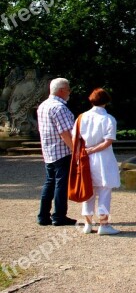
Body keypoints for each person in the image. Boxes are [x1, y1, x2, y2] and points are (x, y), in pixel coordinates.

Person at [75, 88, 121, 235]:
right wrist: (93, 149)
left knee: (88, 190)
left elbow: (76, 138)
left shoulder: (81, 117)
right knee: (104, 191)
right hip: (103, 157)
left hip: (85, 157)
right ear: (106, 101)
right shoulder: (109, 119)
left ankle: (88, 224)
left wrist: (82, 153)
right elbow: (108, 142)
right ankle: (104, 224)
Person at [36, 77, 76, 226]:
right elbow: (65, 132)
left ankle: (43, 215)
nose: (69, 92)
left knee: (49, 182)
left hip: (48, 151)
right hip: (62, 151)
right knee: (61, 184)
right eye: (68, 89)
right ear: (61, 90)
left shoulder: (43, 106)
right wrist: (74, 150)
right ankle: (59, 216)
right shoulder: (59, 107)